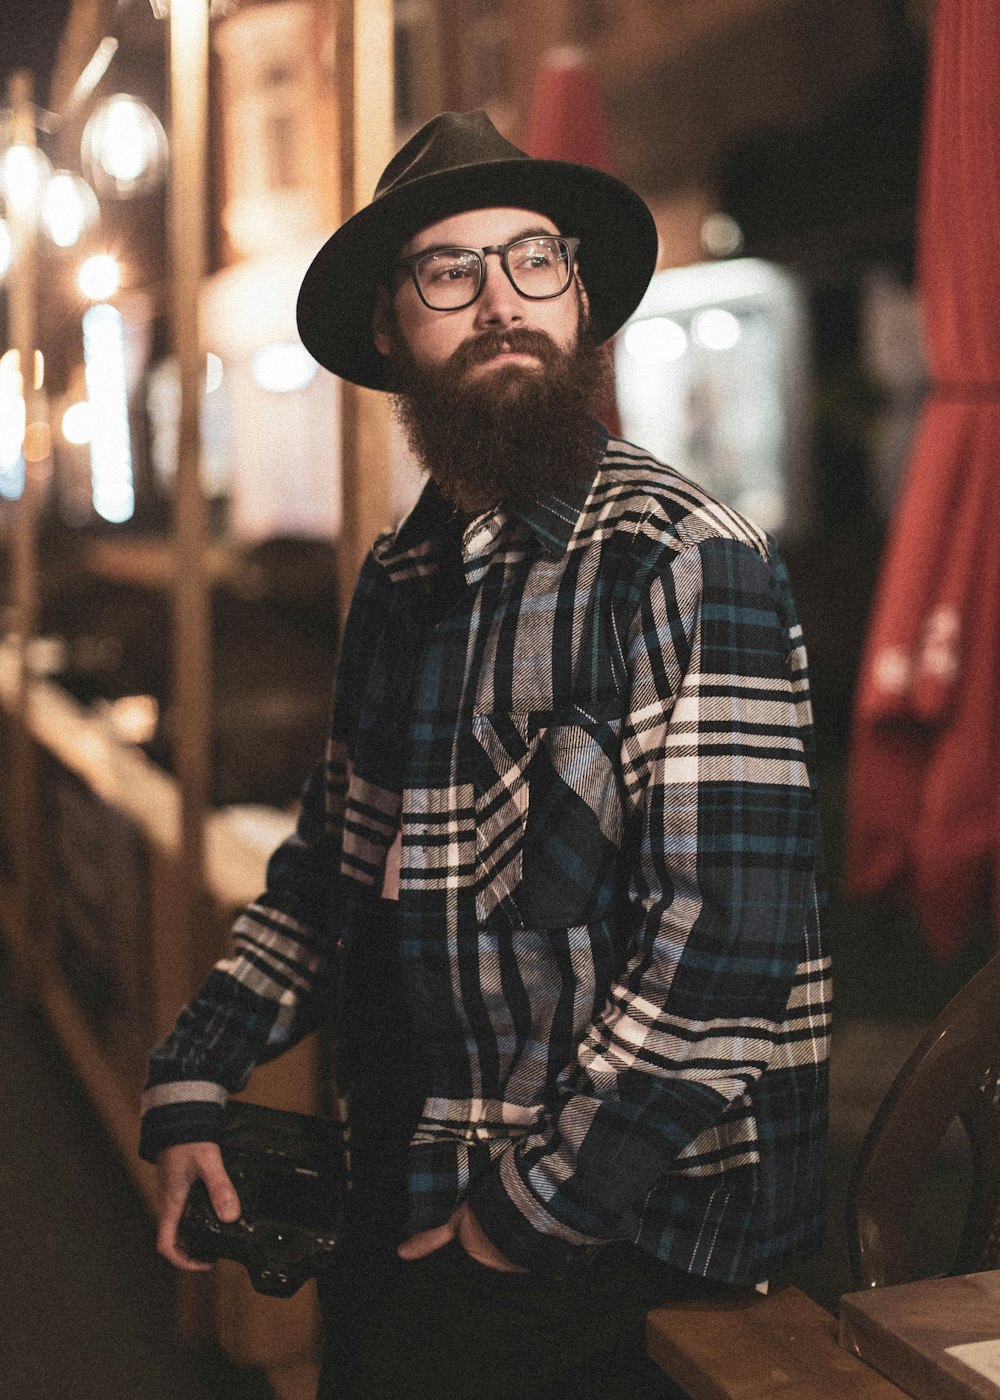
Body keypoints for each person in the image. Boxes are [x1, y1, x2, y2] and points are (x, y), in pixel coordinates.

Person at [140, 111, 830, 1400]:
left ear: (579, 300)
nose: (502, 302)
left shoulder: (682, 559)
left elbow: (731, 947)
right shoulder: (402, 577)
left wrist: (520, 1213)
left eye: (534, 261)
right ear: (394, 332)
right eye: (451, 272)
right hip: (412, 1178)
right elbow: (324, 878)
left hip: (633, 1229)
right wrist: (192, 1069)